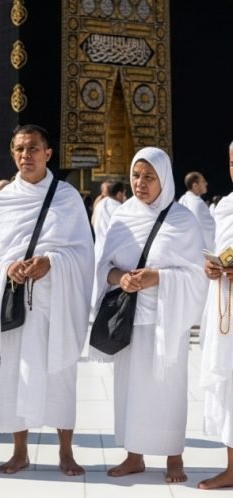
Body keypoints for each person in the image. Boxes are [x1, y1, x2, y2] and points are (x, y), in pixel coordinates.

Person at [0, 124, 94, 476]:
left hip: (55, 304)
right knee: (15, 376)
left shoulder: (67, 197)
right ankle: (19, 451)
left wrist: (52, 263)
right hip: (17, 304)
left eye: (32, 148)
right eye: (18, 149)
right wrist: (8, 267)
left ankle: (65, 451)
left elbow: (83, 254)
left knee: (60, 375)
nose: (25, 155)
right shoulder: (2, 201)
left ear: (48, 153)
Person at [91, 147, 208, 483]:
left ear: (164, 179)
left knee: (168, 388)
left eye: (149, 177)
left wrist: (159, 277)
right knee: (129, 388)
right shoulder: (123, 216)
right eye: (136, 176)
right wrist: (120, 278)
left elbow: (196, 273)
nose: (140, 183)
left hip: (166, 320)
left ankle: (174, 457)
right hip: (128, 318)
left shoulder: (182, 220)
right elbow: (103, 266)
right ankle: (134, 455)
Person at [198, 141, 233, 490]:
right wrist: (211, 269)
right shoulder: (225, 207)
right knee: (230, 389)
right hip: (227, 309)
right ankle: (232, 467)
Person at [178, 171, 215, 250]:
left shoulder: (182, 199)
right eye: (203, 181)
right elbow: (207, 229)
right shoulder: (197, 203)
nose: (206, 183)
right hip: (197, 249)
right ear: (195, 186)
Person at [92, 180, 126, 260]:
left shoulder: (98, 204)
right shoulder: (120, 208)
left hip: (98, 251)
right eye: (124, 194)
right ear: (119, 194)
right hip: (114, 254)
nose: (125, 197)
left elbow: (92, 222)